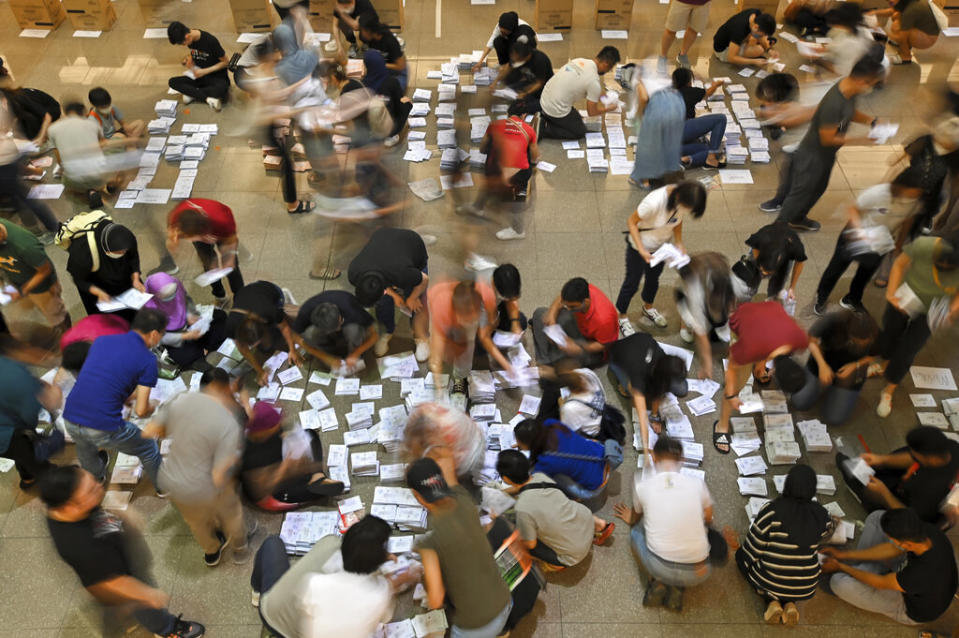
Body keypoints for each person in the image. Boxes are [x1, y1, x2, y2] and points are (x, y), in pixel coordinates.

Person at [41, 466, 206, 637]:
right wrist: (148, 594)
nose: (99, 487)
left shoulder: (65, 507)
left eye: (94, 482)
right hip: (120, 581)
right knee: (143, 607)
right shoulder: (80, 546)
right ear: (69, 506)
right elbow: (112, 582)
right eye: (90, 491)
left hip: (117, 562)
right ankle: (168, 629)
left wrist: (119, 519)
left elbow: (95, 518)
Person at [407, 456, 513, 638]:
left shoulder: (429, 543)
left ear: (417, 496)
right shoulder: (463, 498)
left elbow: (436, 599)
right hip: (506, 602)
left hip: (476, 627)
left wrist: (423, 574)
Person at [775, 58, 885, 231]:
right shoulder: (834, 102)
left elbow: (848, 114)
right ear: (862, 81)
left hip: (826, 154)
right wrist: (862, 140)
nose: (871, 89)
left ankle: (797, 218)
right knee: (801, 193)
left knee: (818, 188)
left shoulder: (849, 90)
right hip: (813, 156)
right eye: (872, 84)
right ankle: (778, 230)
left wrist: (871, 121)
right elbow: (827, 138)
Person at [147, 387, 253, 566]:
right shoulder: (226, 428)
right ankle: (240, 549)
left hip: (175, 484)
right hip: (206, 487)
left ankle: (211, 551)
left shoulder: (184, 411)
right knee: (232, 515)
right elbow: (219, 476)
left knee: (196, 524)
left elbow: (151, 430)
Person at [62, 309, 166, 488]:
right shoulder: (147, 360)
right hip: (101, 425)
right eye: (162, 335)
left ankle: (96, 477)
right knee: (148, 447)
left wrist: (126, 397)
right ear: (154, 334)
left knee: (85, 446)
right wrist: (152, 405)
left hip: (71, 416)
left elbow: (105, 376)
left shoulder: (103, 341)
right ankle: (163, 487)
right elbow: (141, 411)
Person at [251, 516, 400, 638]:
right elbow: (384, 615)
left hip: (276, 613)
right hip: (284, 623)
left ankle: (257, 591)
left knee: (273, 542)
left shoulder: (317, 578)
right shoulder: (378, 594)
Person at [713, 301, 829, 454]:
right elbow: (732, 368)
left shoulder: (798, 339)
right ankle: (721, 426)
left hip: (770, 312)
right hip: (744, 316)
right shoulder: (750, 348)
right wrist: (731, 394)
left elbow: (810, 342)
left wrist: (822, 365)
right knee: (736, 384)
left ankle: (760, 364)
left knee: (761, 358)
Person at [614, 434, 715, 610]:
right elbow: (708, 518)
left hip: (659, 566)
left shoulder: (642, 484)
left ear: (653, 456)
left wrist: (630, 517)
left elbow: (635, 517)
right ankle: (677, 587)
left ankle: (657, 582)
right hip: (699, 571)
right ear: (682, 460)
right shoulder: (698, 484)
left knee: (636, 533)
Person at [814, 168, 924, 314]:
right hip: (855, 235)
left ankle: (852, 299)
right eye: (912, 192)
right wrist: (859, 232)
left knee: (865, 273)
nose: (913, 197)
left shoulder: (916, 201)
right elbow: (854, 209)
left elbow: (908, 219)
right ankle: (821, 297)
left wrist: (899, 242)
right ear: (902, 186)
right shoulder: (879, 193)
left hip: (882, 240)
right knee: (836, 267)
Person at [736, 464, 836, 625]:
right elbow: (828, 532)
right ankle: (790, 604)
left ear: (788, 485)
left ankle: (771, 602)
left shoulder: (772, 510)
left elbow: (753, 548)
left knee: (741, 556)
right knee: (791, 577)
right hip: (805, 583)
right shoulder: (822, 514)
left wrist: (745, 561)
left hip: (771, 579)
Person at [872, 233, 959, 417]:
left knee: (909, 350)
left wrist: (952, 309)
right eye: (939, 263)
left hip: (932, 310)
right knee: (890, 332)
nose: (943, 268)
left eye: (948, 268)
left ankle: (889, 389)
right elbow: (899, 264)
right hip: (905, 297)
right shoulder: (925, 245)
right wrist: (891, 293)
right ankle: (885, 362)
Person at [821, 508, 958, 624]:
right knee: (878, 516)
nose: (890, 540)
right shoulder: (928, 531)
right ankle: (861, 570)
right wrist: (844, 555)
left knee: (837, 583)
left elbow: (880, 583)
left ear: (907, 544)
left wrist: (840, 566)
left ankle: (857, 572)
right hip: (910, 578)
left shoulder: (920, 574)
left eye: (892, 539)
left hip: (909, 607)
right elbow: (893, 549)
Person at [496, 449, 614, 569]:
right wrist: (501, 493)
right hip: (586, 521)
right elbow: (523, 488)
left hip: (575, 553)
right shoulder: (540, 476)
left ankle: (555, 566)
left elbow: (531, 544)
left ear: (506, 479)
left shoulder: (522, 508)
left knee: (524, 544)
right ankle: (599, 525)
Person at [616, 181, 707, 333]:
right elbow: (631, 222)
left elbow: (677, 220)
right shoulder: (653, 203)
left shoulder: (683, 199)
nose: (687, 211)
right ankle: (622, 316)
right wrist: (641, 249)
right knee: (631, 283)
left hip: (660, 248)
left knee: (653, 280)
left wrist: (678, 241)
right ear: (679, 197)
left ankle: (648, 308)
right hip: (639, 247)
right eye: (688, 208)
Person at [837, 425, 959, 524]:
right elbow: (911, 458)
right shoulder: (951, 448)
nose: (911, 455)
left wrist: (884, 495)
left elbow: (912, 520)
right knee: (859, 465)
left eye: (916, 456)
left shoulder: (930, 490)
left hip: (909, 513)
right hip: (906, 486)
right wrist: (882, 459)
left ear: (930, 459)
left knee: (848, 468)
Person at [241, 401, 344, 510]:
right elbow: (261, 490)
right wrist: (286, 468)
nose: (277, 428)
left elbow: (283, 435)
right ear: (261, 431)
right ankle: (315, 480)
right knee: (306, 490)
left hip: (282, 459)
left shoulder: (269, 431)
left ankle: (317, 476)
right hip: (273, 490)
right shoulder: (251, 456)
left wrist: (296, 444)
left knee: (310, 434)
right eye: (273, 428)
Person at [428, 279, 516, 406]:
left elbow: (485, 336)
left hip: (478, 309)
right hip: (449, 315)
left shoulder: (486, 297)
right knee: (453, 344)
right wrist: (439, 390)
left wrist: (506, 365)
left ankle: (461, 375)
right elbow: (435, 358)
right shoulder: (441, 308)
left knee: (468, 346)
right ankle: (459, 378)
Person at [348, 228, 430, 362]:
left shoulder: (403, 273)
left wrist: (412, 298)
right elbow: (381, 288)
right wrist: (395, 296)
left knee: (418, 303)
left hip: (412, 245)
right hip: (383, 240)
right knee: (383, 303)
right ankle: (387, 331)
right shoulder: (354, 273)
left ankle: (421, 337)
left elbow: (424, 280)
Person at [789, 308, 879, 425]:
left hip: (851, 373)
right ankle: (826, 387)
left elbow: (875, 355)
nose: (861, 344)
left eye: (865, 342)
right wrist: (822, 365)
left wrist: (855, 365)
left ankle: (836, 391)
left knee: (834, 419)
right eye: (857, 341)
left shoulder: (874, 332)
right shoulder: (833, 320)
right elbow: (811, 341)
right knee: (799, 402)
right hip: (824, 361)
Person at [608, 332, 689, 452]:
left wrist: (655, 416)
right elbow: (641, 416)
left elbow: (660, 388)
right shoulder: (639, 375)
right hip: (616, 359)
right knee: (631, 391)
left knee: (682, 389)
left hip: (640, 341)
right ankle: (622, 382)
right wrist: (647, 452)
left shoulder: (663, 359)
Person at [755, 73, 821, 214]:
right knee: (788, 173)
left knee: (793, 176)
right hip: (796, 144)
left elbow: (791, 122)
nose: (766, 104)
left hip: (806, 148)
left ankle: (783, 203)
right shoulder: (791, 105)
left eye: (769, 100)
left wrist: (772, 118)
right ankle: (783, 200)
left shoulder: (801, 112)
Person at [470, 111, 540, 241]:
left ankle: (478, 208)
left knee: (490, 181)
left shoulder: (495, 125)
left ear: (508, 113)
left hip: (495, 169)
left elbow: (482, 148)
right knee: (519, 195)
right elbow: (535, 157)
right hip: (519, 173)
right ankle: (518, 229)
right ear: (523, 116)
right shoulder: (529, 130)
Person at [47, 100, 130, 208]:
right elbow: (102, 146)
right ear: (84, 112)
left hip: (72, 181)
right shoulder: (91, 124)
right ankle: (103, 185)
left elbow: (59, 161)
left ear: (66, 113)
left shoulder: (52, 129)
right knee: (119, 137)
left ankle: (90, 190)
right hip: (98, 175)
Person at [514, 418, 618, 500]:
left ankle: (577, 497)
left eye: (519, 441)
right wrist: (525, 445)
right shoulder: (551, 424)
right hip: (605, 454)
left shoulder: (546, 461)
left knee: (554, 477)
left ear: (531, 443)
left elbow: (531, 480)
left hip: (596, 486)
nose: (518, 443)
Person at [0, 94, 61, 236]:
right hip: (7, 162)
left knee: (21, 197)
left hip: (7, 163)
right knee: (25, 197)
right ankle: (51, 227)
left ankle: (41, 228)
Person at [0, 355, 62, 489]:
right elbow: (29, 416)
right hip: (9, 435)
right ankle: (58, 485)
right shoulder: (11, 370)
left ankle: (27, 477)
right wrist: (45, 396)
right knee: (32, 458)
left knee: (19, 455)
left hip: (5, 436)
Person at [143, 273, 228, 371]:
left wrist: (190, 314)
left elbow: (186, 299)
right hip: (174, 336)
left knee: (220, 316)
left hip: (187, 323)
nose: (172, 298)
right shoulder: (148, 312)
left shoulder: (176, 284)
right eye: (166, 297)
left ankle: (202, 350)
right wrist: (186, 336)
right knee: (183, 356)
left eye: (173, 292)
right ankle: (202, 349)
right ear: (155, 296)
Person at [65, 219, 144, 323]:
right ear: (105, 248)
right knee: (111, 321)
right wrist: (99, 292)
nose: (123, 253)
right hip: (97, 283)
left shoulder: (126, 237)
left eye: (125, 250)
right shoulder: (82, 255)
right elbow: (79, 280)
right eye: (118, 252)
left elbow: (133, 257)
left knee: (132, 312)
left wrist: (135, 278)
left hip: (123, 276)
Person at [675, 252, 741, 376]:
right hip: (687, 294)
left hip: (709, 288)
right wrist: (707, 364)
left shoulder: (730, 282)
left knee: (719, 325)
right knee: (694, 320)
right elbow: (701, 332)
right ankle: (685, 324)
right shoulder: (695, 292)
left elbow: (733, 307)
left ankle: (714, 321)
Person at [0, 218, 70, 335]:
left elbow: (45, 270)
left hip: (42, 288)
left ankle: (67, 333)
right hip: (20, 280)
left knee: (57, 314)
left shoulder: (25, 245)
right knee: (48, 312)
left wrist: (22, 291)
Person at [165, 198, 245, 300]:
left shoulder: (223, 222)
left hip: (220, 228)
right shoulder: (177, 219)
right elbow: (171, 235)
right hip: (199, 228)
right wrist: (173, 242)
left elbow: (231, 239)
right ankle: (219, 294)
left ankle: (240, 297)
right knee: (208, 264)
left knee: (231, 267)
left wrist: (229, 258)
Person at [531, 277, 619, 369]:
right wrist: (552, 316)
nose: (568, 309)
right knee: (540, 313)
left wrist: (577, 346)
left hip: (592, 345)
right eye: (567, 306)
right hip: (578, 325)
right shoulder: (582, 291)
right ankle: (546, 360)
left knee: (567, 361)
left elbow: (604, 345)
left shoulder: (604, 320)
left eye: (572, 307)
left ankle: (546, 360)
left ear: (586, 301)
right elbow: (561, 299)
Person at [226, 280, 302, 385]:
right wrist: (260, 371)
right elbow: (243, 349)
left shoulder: (268, 311)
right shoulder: (230, 326)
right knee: (266, 347)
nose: (253, 346)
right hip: (245, 296)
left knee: (279, 331)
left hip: (272, 291)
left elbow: (284, 327)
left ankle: (286, 313)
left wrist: (292, 350)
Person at [538, 47, 620, 140]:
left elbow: (585, 83)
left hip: (545, 98)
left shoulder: (579, 61)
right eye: (609, 69)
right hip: (555, 108)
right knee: (579, 132)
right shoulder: (593, 82)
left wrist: (605, 97)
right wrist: (609, 108)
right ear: (606, 64)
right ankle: (544, 128)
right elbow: (592, 112)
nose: (608, 71)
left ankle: (549, 118)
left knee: (578, 118)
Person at [291, 290, 377, 373]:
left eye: (337, 327)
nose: (337, 330)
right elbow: (295, 336)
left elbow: (375, 334)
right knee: (310, 334)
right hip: (326, 327)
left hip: (350, 323)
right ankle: (330, 352)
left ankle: (353, 358)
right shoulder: (306, 310)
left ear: (340, 318)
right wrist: (325, 357)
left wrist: (356, 353)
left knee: (354, 331)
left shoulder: (352, 309)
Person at [628, 70, 686, 189]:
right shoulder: (660, 77)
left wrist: (640, 116)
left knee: (648, 145)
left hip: (660, 111)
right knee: (667, 142)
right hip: (677, 107)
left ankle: (643, 180)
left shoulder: (639, 82)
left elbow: (643, 98)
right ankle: (665, 169)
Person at [166, 21, 231, 111]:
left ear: (187, 37)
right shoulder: (191, 39)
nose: (184, 46)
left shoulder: (210, 41)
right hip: (199, 76)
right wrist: (190, 59)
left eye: (183, 43)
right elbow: (196, 53)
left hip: (215, 76)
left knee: (221, 90)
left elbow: (226, 62)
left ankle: (193, 94)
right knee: (172, 82)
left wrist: (205, 71)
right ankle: (207, 98)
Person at [672, 69, 727, 169]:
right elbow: (708, 93)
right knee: (721, 119)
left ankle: (685, 159)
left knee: (706, 147)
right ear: (689, 81)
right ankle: (710, 159)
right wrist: (715, 85)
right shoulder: (690, 91)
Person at [742, 222, 808, 301]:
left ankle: (771, 300)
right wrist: (758, 264)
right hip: (762, 246)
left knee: (776, 288)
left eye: (769, 273)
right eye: (763, 270)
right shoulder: (761, 237)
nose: (764, 274)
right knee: (750, 282)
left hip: (785, 253)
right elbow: (755, 248)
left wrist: (791, 288)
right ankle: (747, 297)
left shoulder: (795, 247)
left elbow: (799, 263)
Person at [867, 0, 941, 64]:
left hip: (928, 38)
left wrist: (882, 30)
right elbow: (891, 11)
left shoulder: (911, 10)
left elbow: (900, 38)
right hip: (924, 30)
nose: (890, 1)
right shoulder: (906, 2)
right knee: (896, 16)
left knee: (897, 29)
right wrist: (874, 12)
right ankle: (906, 45)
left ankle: (905, 57)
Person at [494, 41, 553, 114]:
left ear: (527, 57)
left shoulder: (540, 60)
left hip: (544, 89)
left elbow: (539, 83)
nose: (515, 60)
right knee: (508, 90)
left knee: (520, 108)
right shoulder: (516, 55)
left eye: (518, 59)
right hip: (530, 81)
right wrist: (495, 82)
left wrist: (525, 93)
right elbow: (508, 68)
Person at [659, 0, 713, 71]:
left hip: (704, 2)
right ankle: (663, 56)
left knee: (694, 29)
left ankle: (682, 55)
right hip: (680, 1)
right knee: (671, 29)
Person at [473, 11, 537, 70]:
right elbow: (491, 42)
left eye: (505, 32)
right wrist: (480, 61)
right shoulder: (501, 25)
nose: (502, 34)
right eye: (501, 31)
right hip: (512, 45)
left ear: (511, 29)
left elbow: (525, 52)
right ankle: (503, 64)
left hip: (525, 52)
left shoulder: (524, 31)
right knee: (498, 41)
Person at [357, 13, 407, 90]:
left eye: (362, 30)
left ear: (369, 31)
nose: (360, 33)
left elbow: (400, 66)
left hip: (395, 71)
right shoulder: (366, 37)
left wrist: (379, 64)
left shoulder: (390, 41)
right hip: (379, 69)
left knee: (391, 92)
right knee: (363, 89)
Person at [712, 9, 779, 66]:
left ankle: (756, 41)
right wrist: (754, 62)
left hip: (729, 39)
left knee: (759, 40)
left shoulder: (756, 13)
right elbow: (731, 58)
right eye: (761, 35)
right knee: (759, 50)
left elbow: (759, 35)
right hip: (722, 51)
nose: (762, 37)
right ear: (756, 27)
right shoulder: (739, 30)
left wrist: (769, 50)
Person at [557, 367, 606, 437]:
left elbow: (566, 432)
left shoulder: (569, 408)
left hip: (592, 434)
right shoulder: (588, 374)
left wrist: (561, 406)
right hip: (603, 416)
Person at [491, 264, 527, 333]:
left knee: (521, 322)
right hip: (478, 316)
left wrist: (515, 322)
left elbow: (512, 300)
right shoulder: (482, 290)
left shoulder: (505, 281)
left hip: (495, 309)